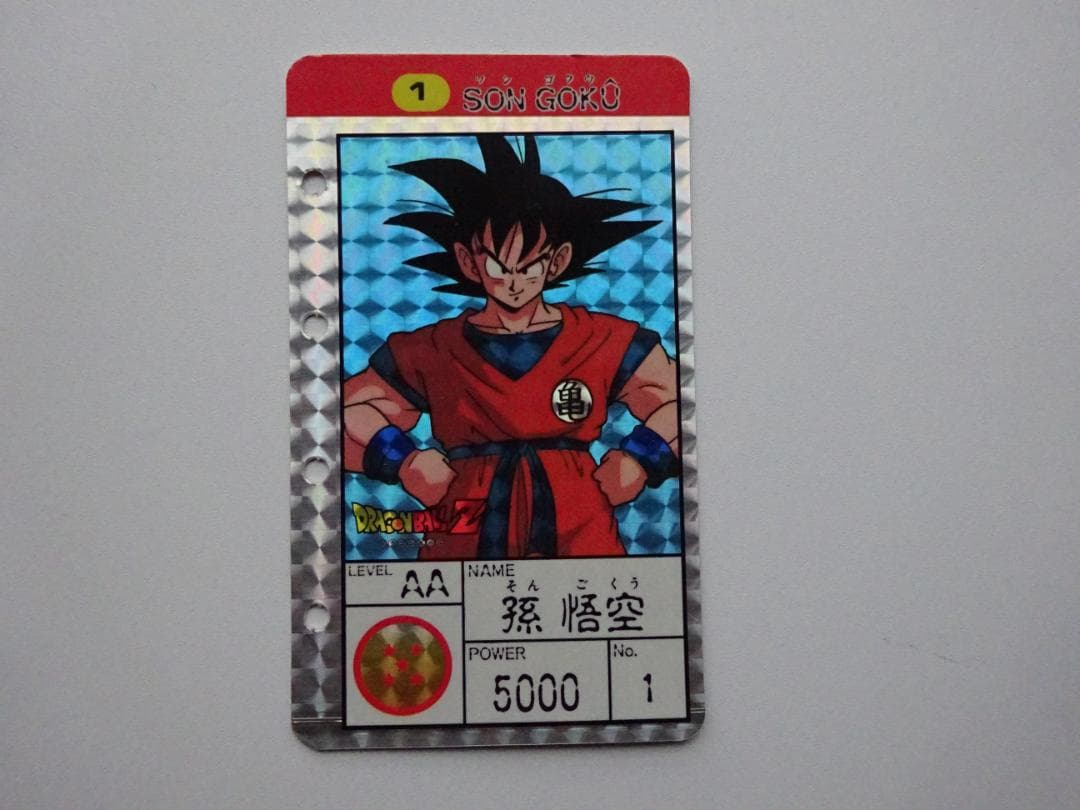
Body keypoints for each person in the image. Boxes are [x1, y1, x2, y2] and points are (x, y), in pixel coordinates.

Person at [343, 134, 680, 559]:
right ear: (469, 261)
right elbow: (344, 414)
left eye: (530, 264)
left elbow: (681, 402)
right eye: (498, 265)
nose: (514, 281)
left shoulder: (604, 339)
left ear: (557, 261)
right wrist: (402, 461)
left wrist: (641, 459)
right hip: (463, 527)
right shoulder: (431, 349)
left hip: (579, 527)